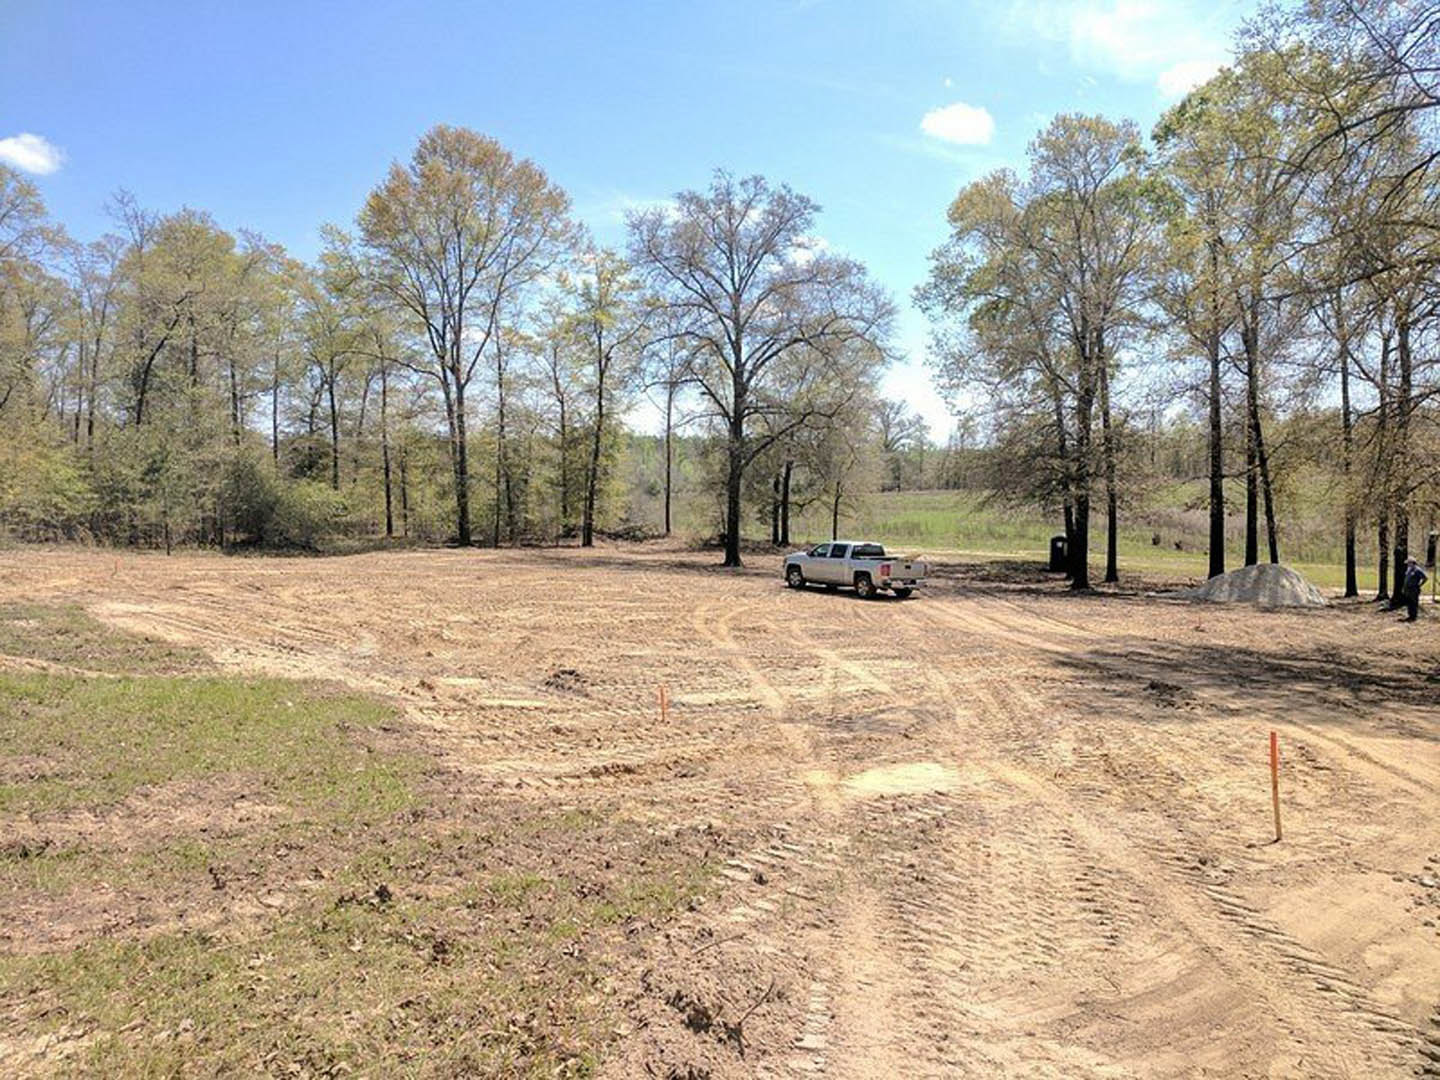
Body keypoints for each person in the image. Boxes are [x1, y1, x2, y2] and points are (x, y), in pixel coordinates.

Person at [1402, 557, 1428, 622]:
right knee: (1409, 602)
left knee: (1414, 602)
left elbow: (1425, 578)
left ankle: (1414, 616)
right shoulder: (1409, 569)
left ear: (1412, 563)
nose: (1407, 564)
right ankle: (1410, 615)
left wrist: (1419, 585)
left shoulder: (1418, 570)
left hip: (1414, 589)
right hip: (1407, 589)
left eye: (1409, 563)